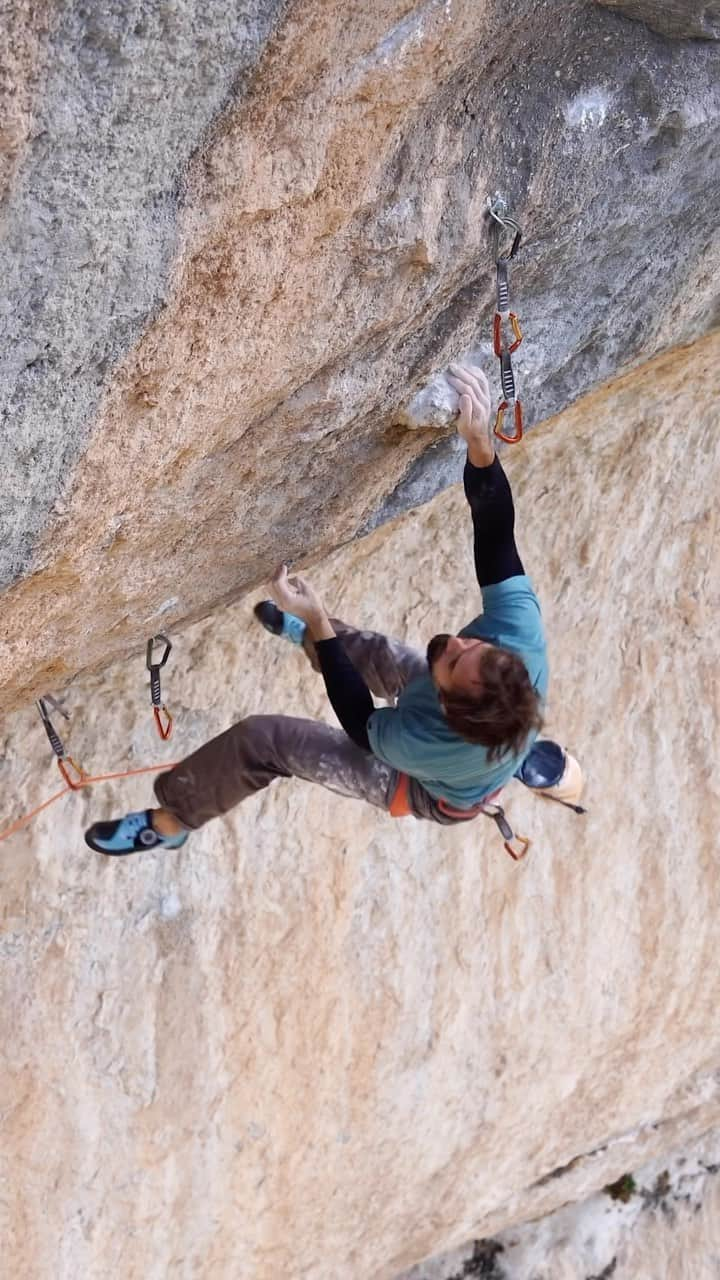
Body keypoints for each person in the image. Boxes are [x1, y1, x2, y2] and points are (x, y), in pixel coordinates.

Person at [84, 365, 559, 856]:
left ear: (450, 706)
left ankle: (169, 822)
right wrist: (480, 444)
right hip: (457, 728)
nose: (457, 641)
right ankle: (311, 638)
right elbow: (497, 538)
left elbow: (358, 719)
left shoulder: (420, 743)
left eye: (455, 662)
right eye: (475, 645)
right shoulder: (518, 642)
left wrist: (319, 618)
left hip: (419, 788)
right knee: (377, 653)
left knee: (264, 739)